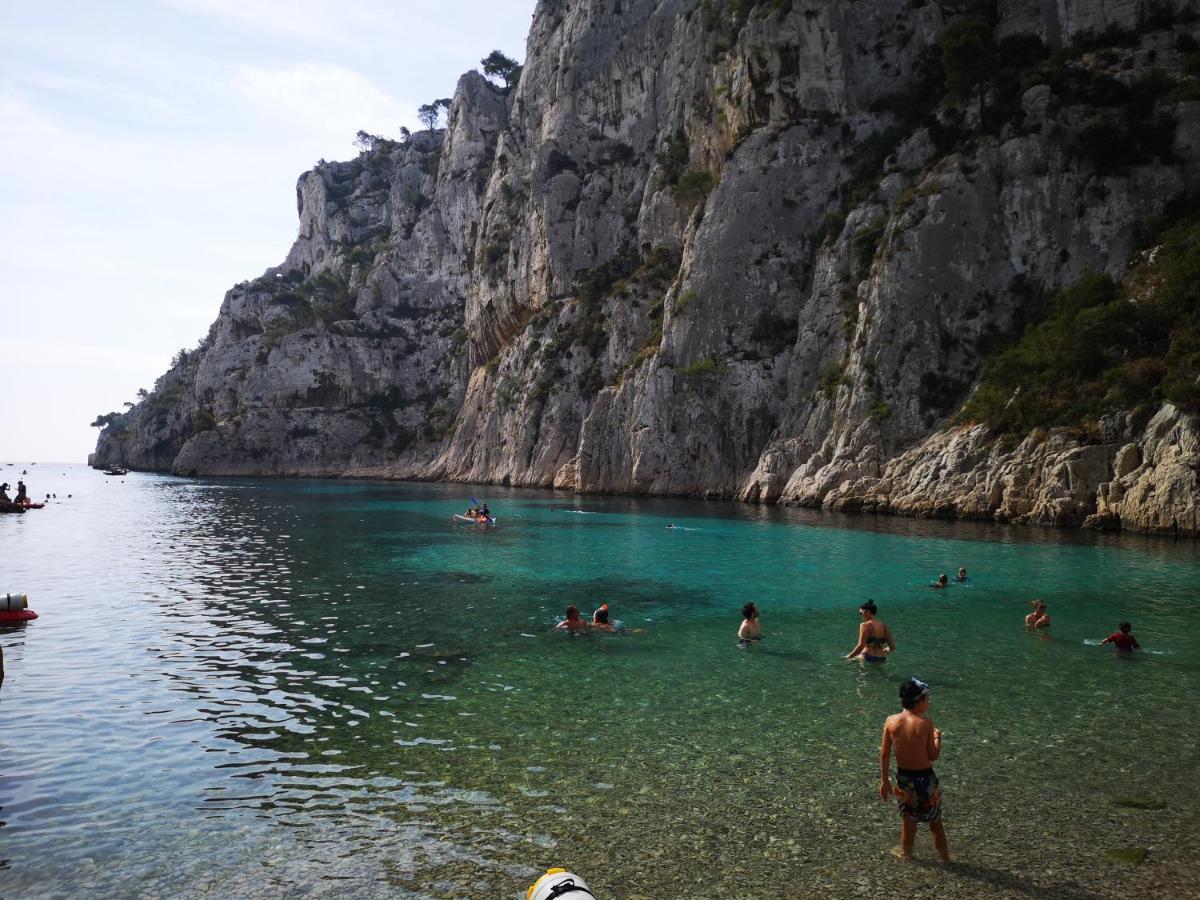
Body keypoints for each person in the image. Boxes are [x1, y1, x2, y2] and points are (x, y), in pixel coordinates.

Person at [879, 677, 951, 863]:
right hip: (925, 779)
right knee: (935, 822)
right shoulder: (925, 724)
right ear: (919, 702)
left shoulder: (890, 721)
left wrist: (884, 781)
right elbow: (933, 755)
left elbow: (885, 754)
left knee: (908, 821)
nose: (928, 703)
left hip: (904, 779)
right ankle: (946, 858)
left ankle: (907, 855)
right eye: (926, 699)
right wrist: (938, 738)